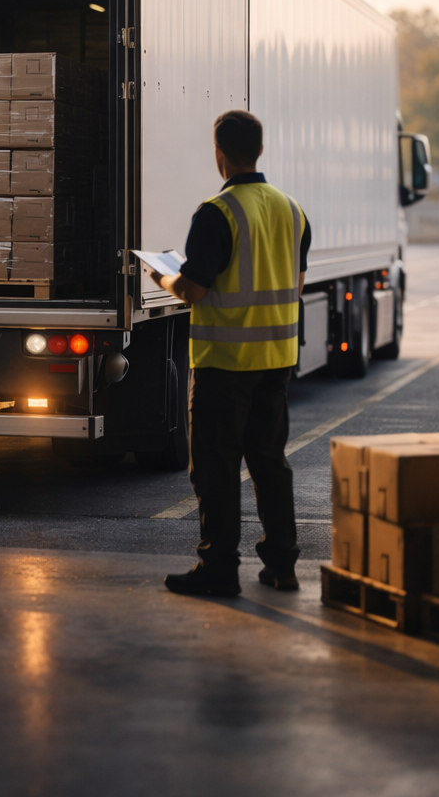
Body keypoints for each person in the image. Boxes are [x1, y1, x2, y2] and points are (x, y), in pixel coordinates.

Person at [148, 109, 310, 597]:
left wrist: (161, 276)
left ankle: (219, 569)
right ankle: (282, 565)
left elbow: (194, 290)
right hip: (276, 362)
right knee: (269, 463)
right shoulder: (292, 210)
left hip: (224, 364)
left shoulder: (216, 212)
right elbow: (295, 285)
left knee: (216, 469)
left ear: (219, 153)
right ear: (259, 150)